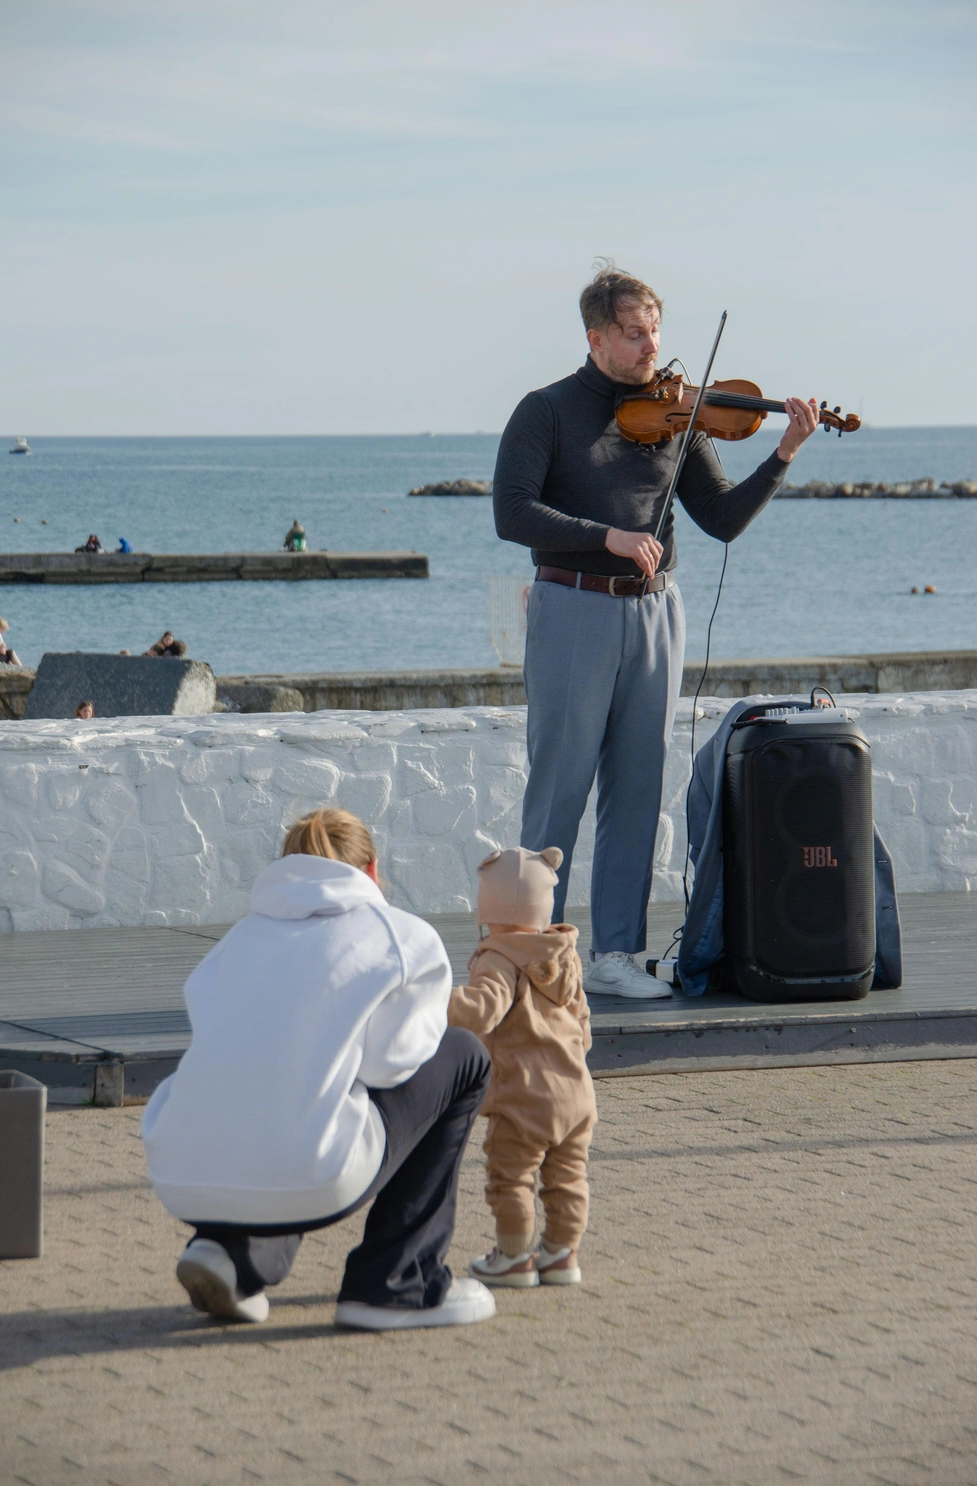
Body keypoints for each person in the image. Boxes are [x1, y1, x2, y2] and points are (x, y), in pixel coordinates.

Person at [492, 262, 820, 998]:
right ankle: (523, 954)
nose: (650, 349)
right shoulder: (544, 411)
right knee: (558, 789)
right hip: (573, 605)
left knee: (637, 786)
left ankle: (614, 956)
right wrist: (605, 535)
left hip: (655, 610)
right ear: (597, 337)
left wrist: (784, 452)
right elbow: (511, 513)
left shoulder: (679, 415)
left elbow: (723, 520)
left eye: (655, 334)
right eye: (634, 336)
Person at [142, 806, 496, 1331]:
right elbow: (392, 1067)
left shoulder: (237, 941)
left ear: (289, 869)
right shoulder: (401, 937)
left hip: (180, 1172)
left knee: (287, 1086)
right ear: (372, 870)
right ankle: (396, 1281)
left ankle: (232, 1254)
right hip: (313, 1172)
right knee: (464, 1053)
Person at [448, 847, 596, 1289]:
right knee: (567, 1177)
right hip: (575, 1094)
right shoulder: (564, 955)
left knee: (510, 1176)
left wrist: (431, 999)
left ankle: (513, 1258)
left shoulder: (499, 956)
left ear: (488, 908)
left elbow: (482, 1010)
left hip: (523, 1097)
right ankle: (561, 1255)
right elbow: (584, 1027)